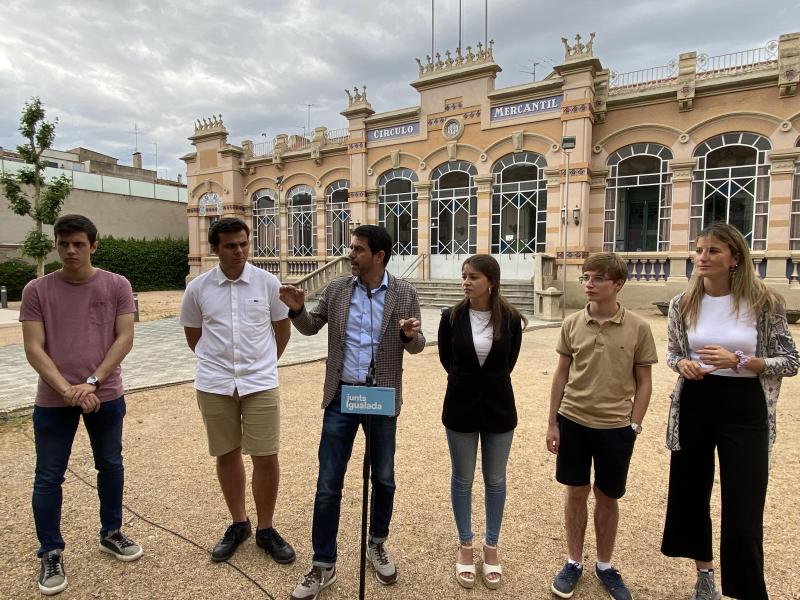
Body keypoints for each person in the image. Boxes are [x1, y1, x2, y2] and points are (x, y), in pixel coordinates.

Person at [279, 224, 424, 599]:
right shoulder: (338, 289)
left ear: (379, 256)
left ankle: (376, 543)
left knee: (384, 478)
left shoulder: (405, 293)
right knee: (329, 483)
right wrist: (297, 309)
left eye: (358, 249)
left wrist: (409, 335)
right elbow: (311, 327)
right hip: (342, 396)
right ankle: (323, 563)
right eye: (351, 247)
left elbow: (417, 345)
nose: (350, 254)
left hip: (382, 397)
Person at [660, 223, 798, 600]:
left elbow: (790, 360)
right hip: (696, 403)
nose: (702, 257)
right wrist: (682, 365)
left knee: (744, 508)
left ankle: (748, 590)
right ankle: (704, 575)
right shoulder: (682, 303)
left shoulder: (765, 302)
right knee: (690, 496)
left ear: (735, 258)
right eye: (699, 250)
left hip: (745, 407)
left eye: (713, 251)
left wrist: (741, 361)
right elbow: (673, 353)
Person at [20, 214, 142, 596]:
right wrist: (67, 390)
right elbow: (34, 348)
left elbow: (124, 338)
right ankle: (50, 551)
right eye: (63, 243)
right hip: (53, 399)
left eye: (78, 243)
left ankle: (111, 532)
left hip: (105, 393)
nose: (70, 250)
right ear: (56, 244)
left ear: (93, 245)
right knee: (48, 476)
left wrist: (91, 383)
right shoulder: (37, 290)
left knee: (110, 465)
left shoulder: (117, 285)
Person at [180, 217, 295, 565]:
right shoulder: (198, 289)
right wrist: (219, 366)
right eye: (230, 245)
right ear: (215, 248)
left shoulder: (267, 283)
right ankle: (239, 523)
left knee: (266, 455)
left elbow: (282, 330)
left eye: (243, 244)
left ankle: (266, 528)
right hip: (215, 384)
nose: (239, 251)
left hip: (259, 383)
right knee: (227, 453)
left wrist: (263, 365)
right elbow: (194, 336)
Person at [546, 252, 657, 600]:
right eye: (586, 278)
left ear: (618, 284)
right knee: (575, 493)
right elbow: (561, 374)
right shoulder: (572, 323)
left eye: (597, 278)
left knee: (608, 496)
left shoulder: (639, 328)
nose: (589, 284)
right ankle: (573, 562)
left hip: (615, 427)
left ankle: (605, 565)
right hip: (574, 421)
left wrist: (634, 426)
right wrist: (552, 422)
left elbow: (645, 381)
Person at [437, 254, 527, 590]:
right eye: (464, 275)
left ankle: (491, 546)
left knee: (495, 479)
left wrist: (486, 383)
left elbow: (508, 363)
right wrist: (468, 383)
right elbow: (448, 360)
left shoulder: (511, 319)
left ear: (491, 281)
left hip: (499, 407)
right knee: (462, 479)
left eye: (473, 276)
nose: (466, 282)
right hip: (460, 406)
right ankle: (465, 544)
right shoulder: (451, 317)